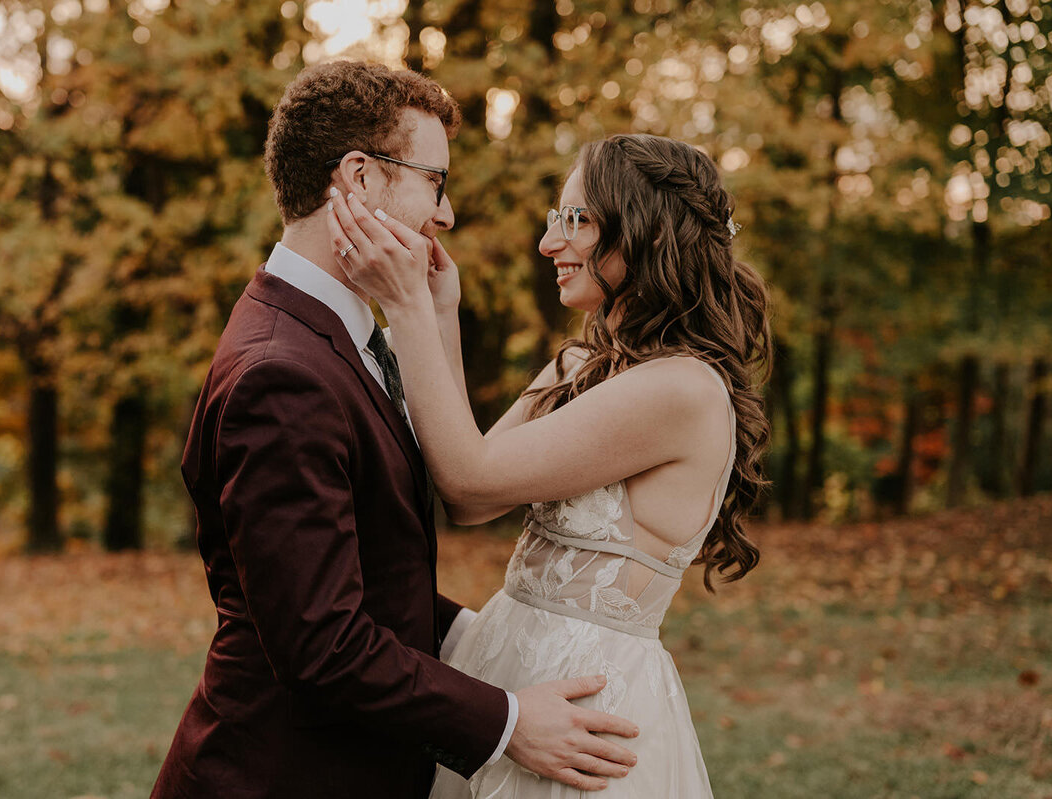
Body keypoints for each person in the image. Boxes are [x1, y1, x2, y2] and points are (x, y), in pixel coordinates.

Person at [149, 62, 642, 799]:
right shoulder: (281, 374)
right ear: (360, 178)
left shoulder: (329, 336)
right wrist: (507, 720)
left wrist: (503, 638)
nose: (445, 216)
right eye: (434, 184)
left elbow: (369, 574)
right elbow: (322, 643)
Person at [327, 132, 771, 797]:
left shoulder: (681, 390)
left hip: (588, 707)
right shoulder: (580, 367)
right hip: (507, 674)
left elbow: (467, 475)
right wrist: (440, 310)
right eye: (553, 218)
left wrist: (406, 305)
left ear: (645, 230)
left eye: (577, 220)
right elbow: (472, 496)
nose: (549, 244)